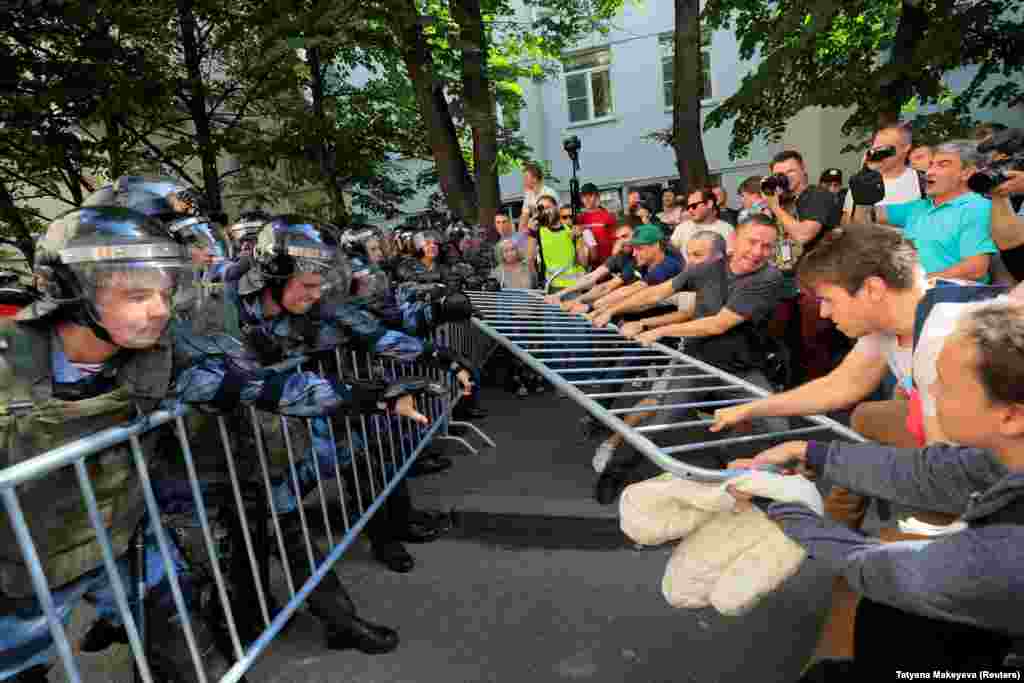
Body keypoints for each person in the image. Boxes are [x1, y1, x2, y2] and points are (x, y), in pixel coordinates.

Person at [728, 300, 1024, 675]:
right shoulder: (1006, 457)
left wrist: (783, 506)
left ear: (1011, 416)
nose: (928, 389)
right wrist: (814, 453)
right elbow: (936, 474)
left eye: (946, 386)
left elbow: (877, 569)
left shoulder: (1006, 552)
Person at [592, 215, 787, 502]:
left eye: (767, 246)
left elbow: (717, 324)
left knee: (776, 425)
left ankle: (727, 454)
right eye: (752, 242)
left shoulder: (768, 277)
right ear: (734, 241)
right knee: (661, 418)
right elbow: (657, 292)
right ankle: (615, 473)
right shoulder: (707, 269)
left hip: (741, 369)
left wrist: (657, 329)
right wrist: (609, 310)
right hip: (696, 361)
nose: (758, 252)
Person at [590, 231, 726, 474]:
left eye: (698, 255)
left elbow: (712, 321)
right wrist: (605, 309)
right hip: (696, 356)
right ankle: (613, 447)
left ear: (720, 257)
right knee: (657, 406)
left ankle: (747, 469)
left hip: (736, 362)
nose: (691, 262)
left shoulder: (733, 278)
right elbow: (654, 297)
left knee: (761, 416)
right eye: (689, 255)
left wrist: (648, 326)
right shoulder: (689, 275)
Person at [854, 140, 997, 282]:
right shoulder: (918, 207)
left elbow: (975, 269)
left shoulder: (977, 207)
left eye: (942, 165)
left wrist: (915, 284)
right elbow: (863, 221)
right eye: (930, 165)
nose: (929, 172)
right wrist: (863, 192)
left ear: (967, 173)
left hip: (954, 299)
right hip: (914, 296)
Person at [765, 149, 843, 383]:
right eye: (779, 174)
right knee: (790, 343)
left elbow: (803, 235)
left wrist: (775, 207)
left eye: (791, 171)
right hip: (792, 278)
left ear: (803, 171)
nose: (785, 177)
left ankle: (824, 400)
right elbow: (782, 244)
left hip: (821, 279)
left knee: (815, 344)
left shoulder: (816, 195)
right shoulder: (784, 203)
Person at [841, 125, 925, 224]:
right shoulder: (863, 181)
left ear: (906, 147)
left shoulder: (923, 181)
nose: (879, 153)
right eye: (875, 148)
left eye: (886, 148)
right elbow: (847, 224)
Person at [669, 187, 734, 254]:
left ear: (709, 203)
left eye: (694, 206)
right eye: (688, 207)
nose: (690, 210)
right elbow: (670, 254)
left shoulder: (727, 229)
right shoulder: (682, 228)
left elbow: (730, 258)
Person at [518, 162, 558, 234]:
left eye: (526, 177)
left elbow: (555, 216)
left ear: (535, 179)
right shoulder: (529, 194)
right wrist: (519, 235)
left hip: (550, 231)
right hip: (537, 231)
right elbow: (524, 216)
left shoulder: (549, 193)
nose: (524, 181)